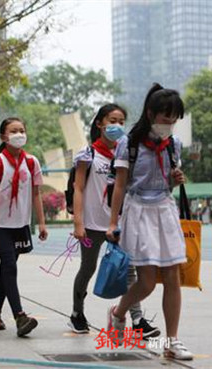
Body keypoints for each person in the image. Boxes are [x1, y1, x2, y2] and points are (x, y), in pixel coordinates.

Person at [106, 84, 192, 360]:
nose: (170, 124)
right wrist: (112, 222)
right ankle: (118, 313)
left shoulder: (173, 145)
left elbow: (168, 182)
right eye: (165, 118)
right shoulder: (128, 144)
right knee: (146, 282)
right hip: (139, 208)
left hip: (165, 208)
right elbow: (120, 186)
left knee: (172, 277)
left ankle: (173, 341)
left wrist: (176, 181)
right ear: (150, 113)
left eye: (174, 119)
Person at [70, 104, 160, 338]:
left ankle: (137, 320)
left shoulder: (128, 154)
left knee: (128, 270)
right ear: (99, 123)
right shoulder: (88, 154)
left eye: (121, 121)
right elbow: (78, 188)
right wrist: (78, 223)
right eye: (112, 120)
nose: (117, 126)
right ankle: (77, 313)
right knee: (88, 268)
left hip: (120, 225)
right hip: (91, 226)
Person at [0, 117, 48, 337]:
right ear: (4, 137)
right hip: (0, 226)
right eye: (13, 131)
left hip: (21, 225)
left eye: (21, 130)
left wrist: (41, 223)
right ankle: (20, 316)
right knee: (9, 266)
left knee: (7, 270)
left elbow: (36, 193)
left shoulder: (32, 162)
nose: (19, 134)